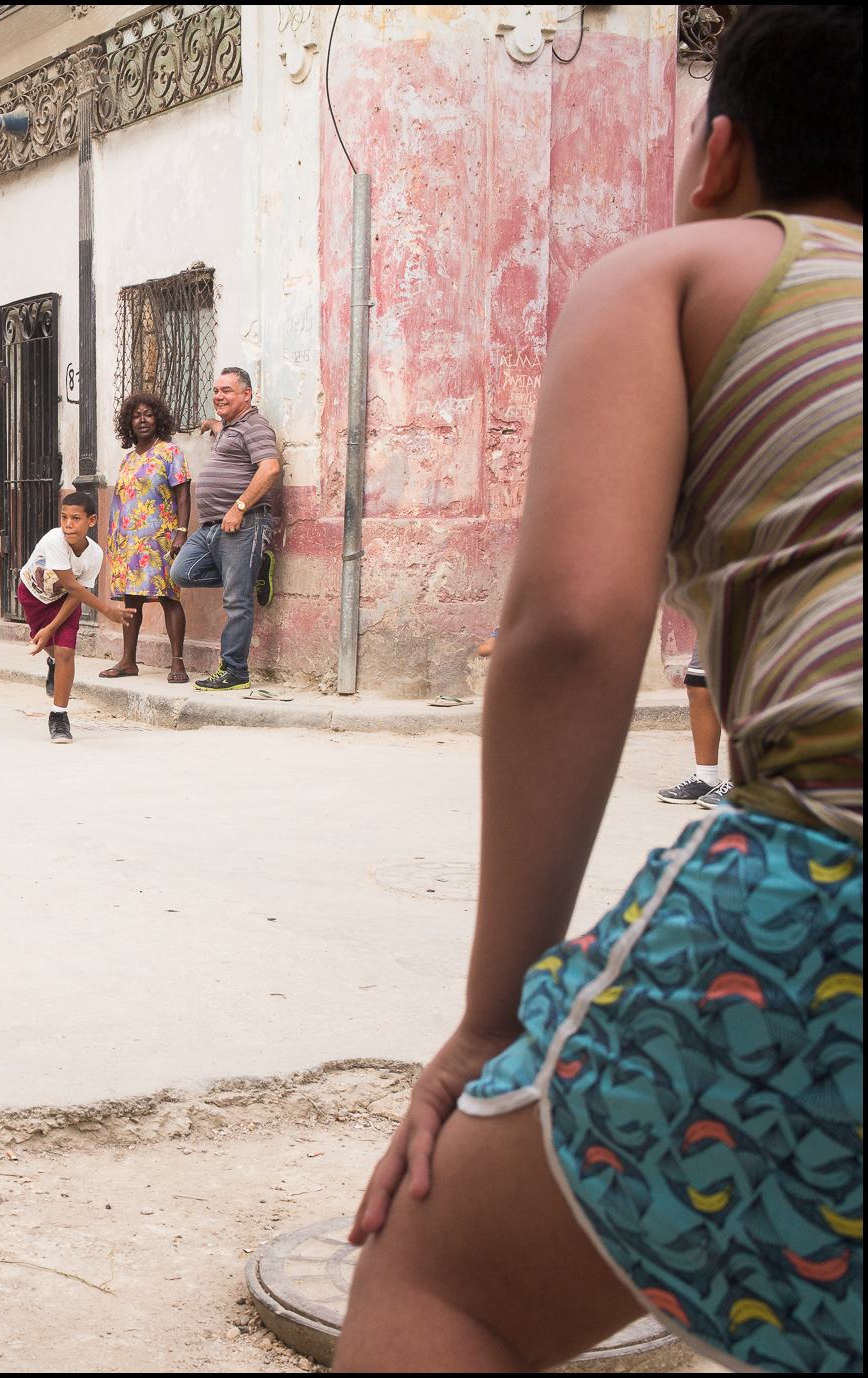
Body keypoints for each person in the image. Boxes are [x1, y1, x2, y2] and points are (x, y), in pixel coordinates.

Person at [337, 9, 861, 1372]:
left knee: (439, 1277)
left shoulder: (685, 271)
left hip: (828, 879)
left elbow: (572, 622)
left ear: (718, 152)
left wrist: (490, 1015)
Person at [170, 367, 281, 692]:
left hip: (240, 523)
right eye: (216, 390)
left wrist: (239, 507)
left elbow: (270, 467)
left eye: (227, 391)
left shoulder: (255, 426)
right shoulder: (234, 427)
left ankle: (235, 671)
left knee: (236, 600)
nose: (219, 395)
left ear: (247, 395)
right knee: (182, 572)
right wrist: (215, 425)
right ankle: (253, 567)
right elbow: (228, 433)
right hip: (211, 527)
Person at [99, 391, 193, 683]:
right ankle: (128, 660)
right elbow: (121, 502)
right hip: (128, 541)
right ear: (129, 422)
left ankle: (177, 663)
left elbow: (183, 494)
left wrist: (181, 532)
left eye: (148, 414)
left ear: (158, 419)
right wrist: (113, 537)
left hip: (160, 539)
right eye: (136, 415)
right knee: (131, 600)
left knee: (169, 597)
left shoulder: (170, 452)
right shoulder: (127, 460)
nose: (142, 420)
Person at [19, 490, 126, 744]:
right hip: (34, 596)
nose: (68, 524)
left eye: (76, 518)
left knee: (66, 652)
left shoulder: (96, 554)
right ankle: (54, 664)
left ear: (92, 521)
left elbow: (77, 592)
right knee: (48, 645)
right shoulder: (55, 540)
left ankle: (59, 717)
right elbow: (71, 583)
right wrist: (106, 608)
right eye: (64, 517)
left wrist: (54, 626)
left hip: (67, 600)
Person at [657, 647, 731, 807]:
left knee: (748, 687)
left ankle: (746, 781)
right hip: (718, 622)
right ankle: (706, 778)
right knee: (699, 683)